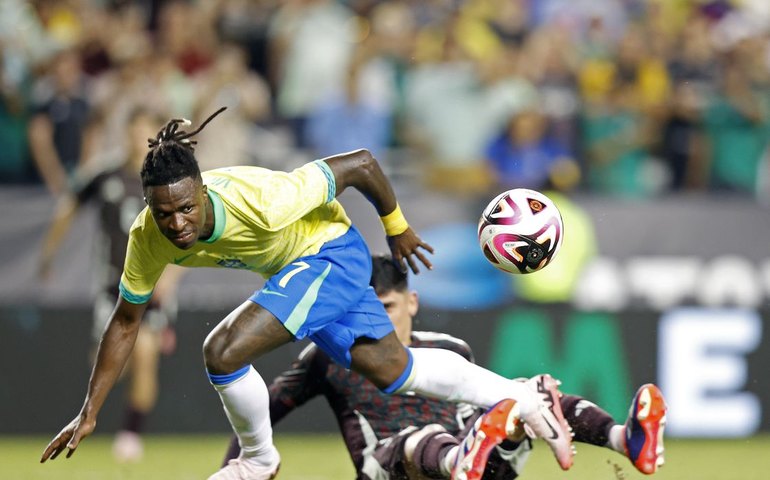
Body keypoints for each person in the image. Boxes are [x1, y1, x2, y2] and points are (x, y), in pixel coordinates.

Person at [40, 107, 575, 479]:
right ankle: (524, 397)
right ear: (148, 206)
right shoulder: (147, 237)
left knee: (222, 351)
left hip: (330, 253)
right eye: (164, 212)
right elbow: (126, 321)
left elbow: (362, 162)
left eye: (186, 208)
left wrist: (397, 227)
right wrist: (90, 410)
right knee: (394, 371)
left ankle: (257, 460)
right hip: (305, 270)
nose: (177, 223)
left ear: (203, 190)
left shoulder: (263, 200)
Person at [222, 254, 668, 479]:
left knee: (523, 392)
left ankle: (624, 439)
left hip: (472, 463)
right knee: (420, 439)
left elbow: (476, 408)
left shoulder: (448, 348)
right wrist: (242, 468)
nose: (377, 320)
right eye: (367, 310)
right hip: (389, 470)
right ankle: (461, 458)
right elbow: (266, 410)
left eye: (388, 307)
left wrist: (515, 412)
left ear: (412, 302)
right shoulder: (329, 356)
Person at [38, 108, 183, 462]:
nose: (138, 138)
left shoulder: (167, 180)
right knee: (109, 366)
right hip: (112, 287)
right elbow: (68, 205)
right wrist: (48, 254)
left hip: (152, 285)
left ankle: (131, 435)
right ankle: (98, 408)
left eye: (145, 131)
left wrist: (171, 278)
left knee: (145, 352)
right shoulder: (104, 175)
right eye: (134, 131)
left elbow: (187, 237)